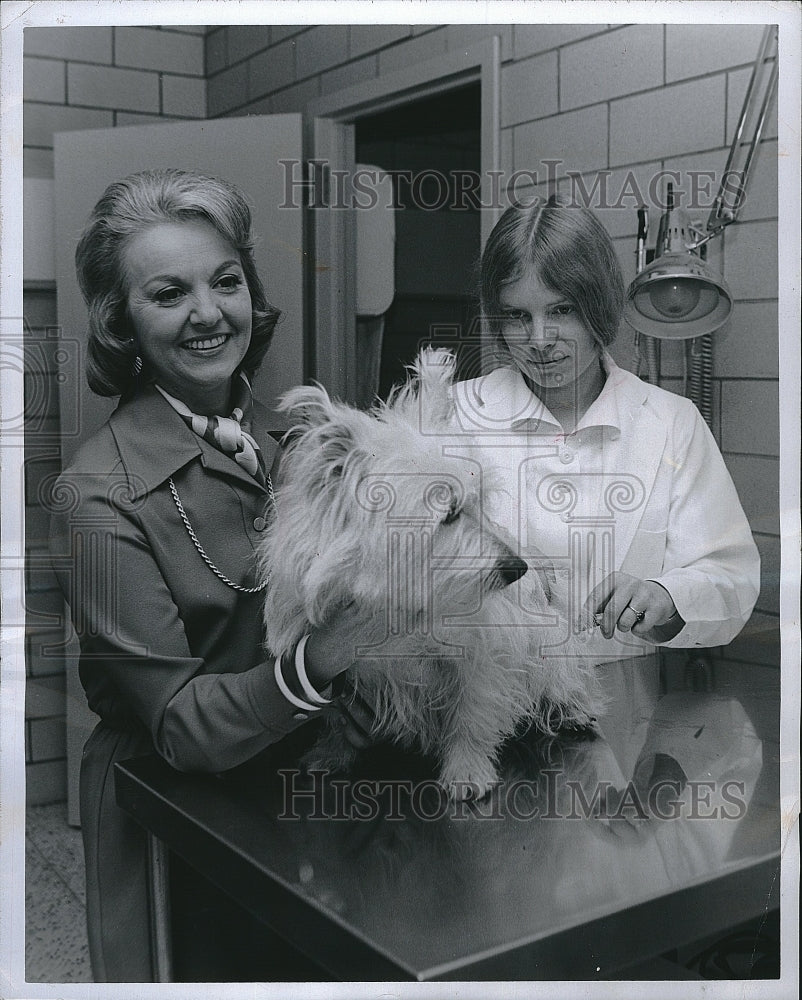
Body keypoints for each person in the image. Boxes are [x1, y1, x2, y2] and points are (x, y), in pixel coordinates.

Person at [49, 169, 369, 982]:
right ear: (121, 323)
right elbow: (181, 727)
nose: (207, 313)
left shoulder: (301, 439)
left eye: (225, 281)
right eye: (168, 293)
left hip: (308, 789)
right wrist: (326, 657)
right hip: (177, 817)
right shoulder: (96, 493)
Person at [451, 198, 760, 675]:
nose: (539, 339)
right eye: (516, 316)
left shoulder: (670, 423)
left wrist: (666, 595)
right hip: (478, 709)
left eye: (561, 309)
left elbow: (731, 576)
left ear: (599, 305)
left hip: (623, 712)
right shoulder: (455, 416)